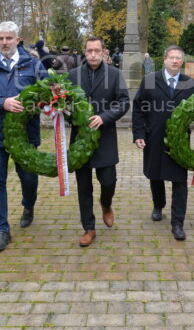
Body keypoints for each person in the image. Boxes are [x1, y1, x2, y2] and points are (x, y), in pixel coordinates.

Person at [0, 21, 47, 252]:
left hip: (25, 133)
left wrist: (35, 102)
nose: (4, 42)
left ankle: (28, 205)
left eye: (8, 38)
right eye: (0, 38)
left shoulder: (32, 64)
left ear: (17, 39)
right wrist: (2, 102)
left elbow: (45, 90)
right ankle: (1, 230)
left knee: (29, 177)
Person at [132, 46, 194, 241]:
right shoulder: (150, 81)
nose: (175, 61)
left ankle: (177, 222)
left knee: (179, 181)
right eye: (172, 57)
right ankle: (158, 205)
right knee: (156, 175)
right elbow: (138, 109)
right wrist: (138, 133)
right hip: (154, 137)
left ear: (182, 61)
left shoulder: (191, 84)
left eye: (179, 58)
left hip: (179, 142)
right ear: (164, 59)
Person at [68, 37, 130, 247]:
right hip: (80, 141)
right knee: (83, 187)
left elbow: (123, 103)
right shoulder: (72, 76)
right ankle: (89, 227)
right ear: (84, 52)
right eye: (89, 51)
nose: (93, 54)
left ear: (103, 52)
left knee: (108, 181)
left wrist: (104, 117)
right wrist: (68, 114)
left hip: (105, 138)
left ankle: (106, 204)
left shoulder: (114, 75)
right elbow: (65, 105)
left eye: (97, 50)